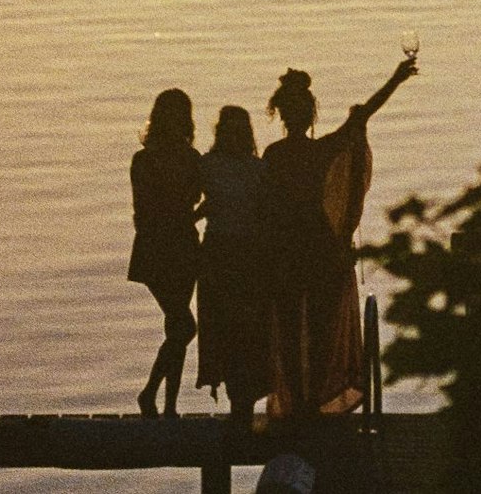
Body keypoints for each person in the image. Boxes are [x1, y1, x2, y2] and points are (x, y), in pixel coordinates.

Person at [262, 55, 418, 417]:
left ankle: (299, 402)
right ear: (310, 114)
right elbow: (362, 115)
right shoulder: (320, 151)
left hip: (288, 250)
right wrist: (395, 79)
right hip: (322, 247)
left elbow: (266, 210)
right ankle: (315, 400)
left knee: (288, 327)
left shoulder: (274, 155)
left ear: (283, 115)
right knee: (322, 328)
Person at [128, 87, 202, 418]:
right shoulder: (187, 160)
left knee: (177, 325)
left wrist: (185, 217)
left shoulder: (146, 161)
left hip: (167, 246)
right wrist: (188, 216)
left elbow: (141, 212)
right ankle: (152, 395)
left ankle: (166, 404)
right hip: (173, 246)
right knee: (184, 325)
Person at [196, 105, 269, 421]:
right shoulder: (257, 168)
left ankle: (239, 403)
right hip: (240, 253)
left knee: (229, 328)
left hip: (227, 252)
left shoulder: (209, 165)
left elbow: (207, 204)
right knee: (241, 329)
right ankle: (242, 403)